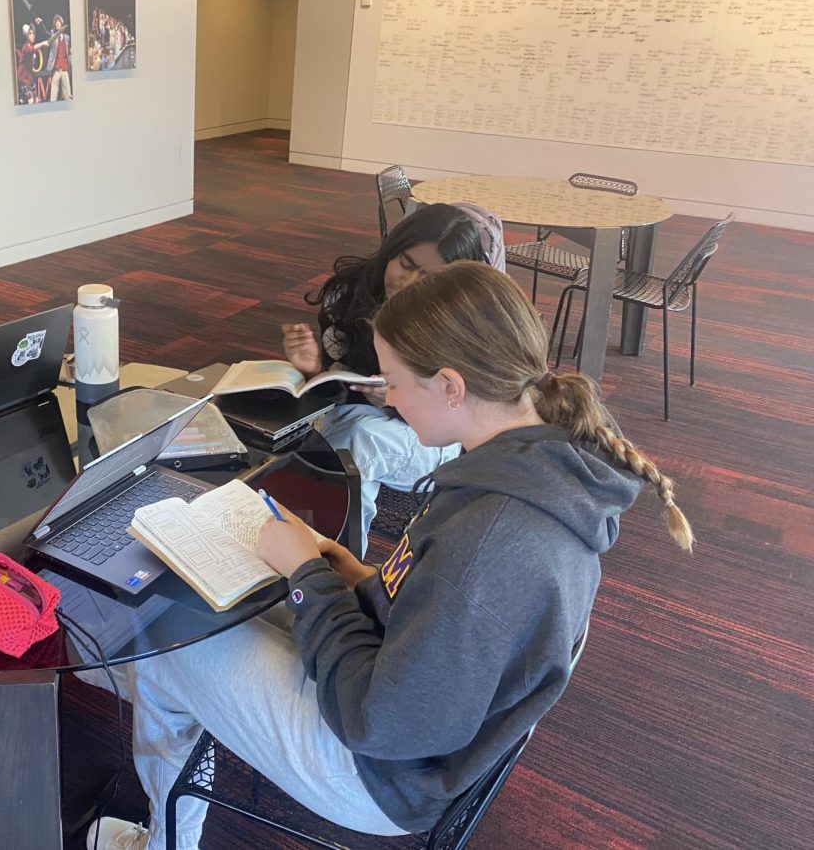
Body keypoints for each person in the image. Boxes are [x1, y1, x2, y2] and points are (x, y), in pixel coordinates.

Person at [88, 262, 694, 850]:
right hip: (419, 722)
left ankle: (166, 841)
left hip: (377, 770)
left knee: (164, 642)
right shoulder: (533, 473)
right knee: (217, 601)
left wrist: (306, 577)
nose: (388, 399)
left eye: (394, 382)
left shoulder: (488, 540)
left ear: (451, 386)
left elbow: (376, 721)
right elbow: (443, 618)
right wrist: (357, 578)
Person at [281, 203, 488, 547]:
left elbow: (464, 414)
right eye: (406, 264)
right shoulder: (349, 293)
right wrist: (314, 371)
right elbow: (341, 381)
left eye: (430, 278)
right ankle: (298, 545)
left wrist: (397, 401)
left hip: (434, 436)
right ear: (392, 249)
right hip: (353, 414)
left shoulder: (461, 319)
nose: (409, 282)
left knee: (356, 442)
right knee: (292, 431)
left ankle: (337, 569)